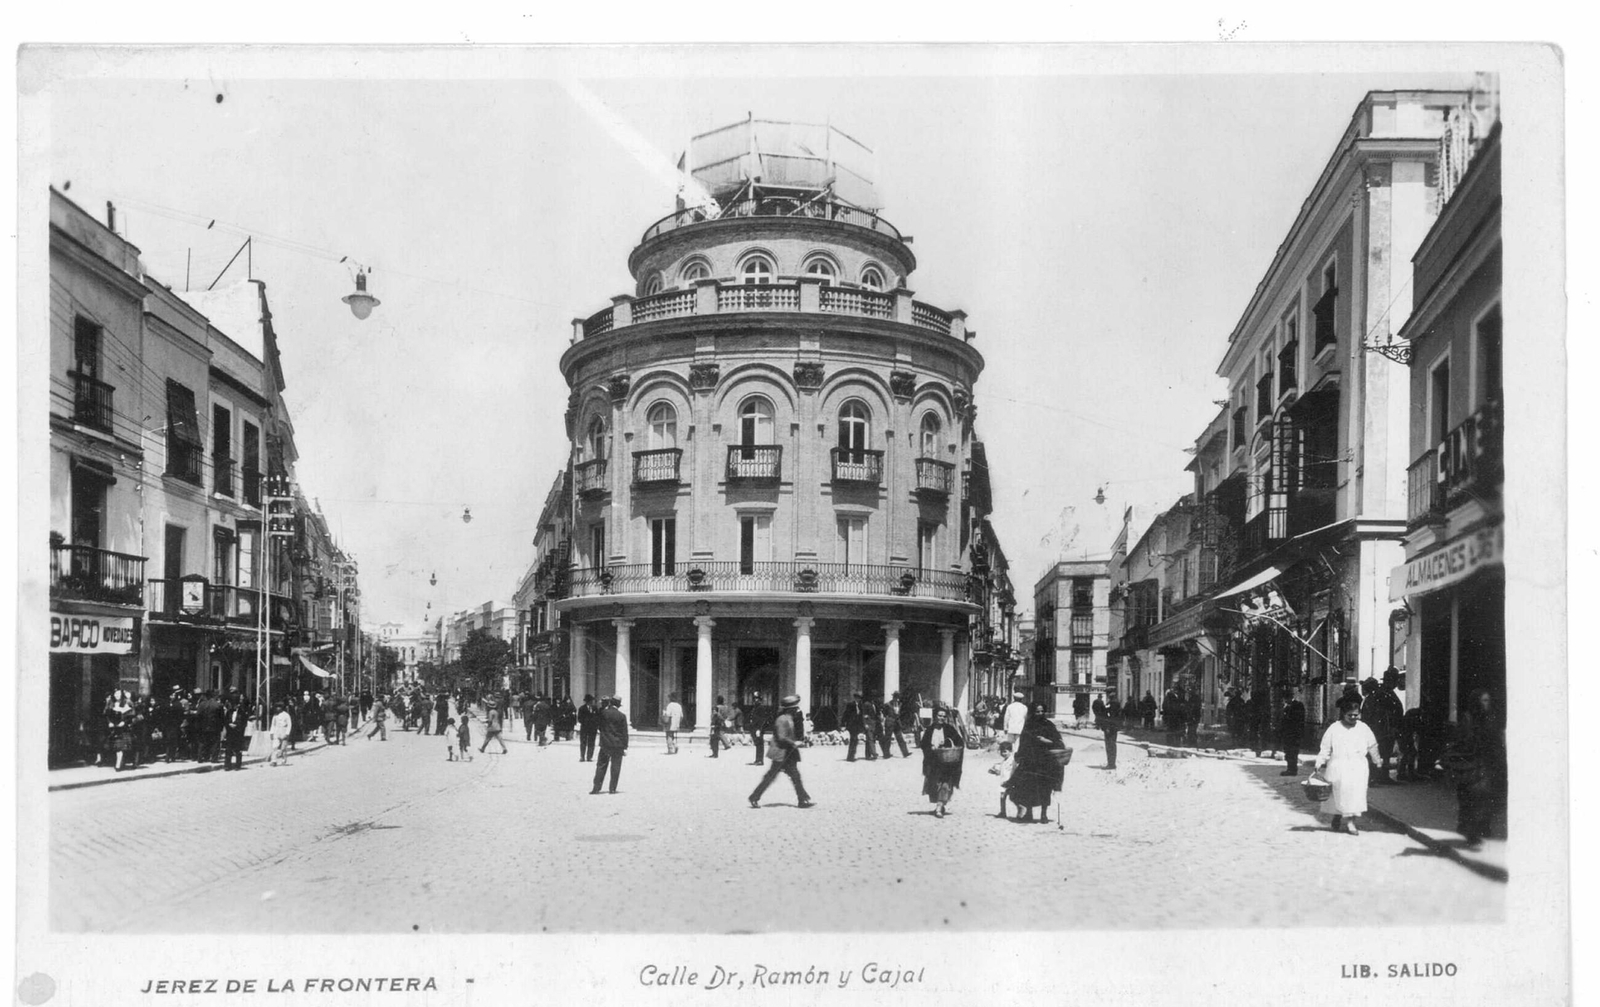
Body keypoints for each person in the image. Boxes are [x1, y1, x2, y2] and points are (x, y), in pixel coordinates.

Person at [1443, 688, 1506, 848]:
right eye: (1484, 700)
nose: (1487, 704)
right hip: (1473, 766)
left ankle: (1479, 830)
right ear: (1477, 702)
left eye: (1488, 700)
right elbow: (1464, 741)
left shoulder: (1490, 718)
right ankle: (1472, 833)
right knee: (1472, 800)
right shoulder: (1468, 719)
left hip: (1488, 765)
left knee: (1484, 799)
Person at [1314, 693, 1381, 835]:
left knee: (1355, 794)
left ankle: (1351, 823)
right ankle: (1337, 816)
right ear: (1343, 714)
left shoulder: (1363, 728)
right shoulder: (1334, 728)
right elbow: (1325, 748)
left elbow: (1372, 746)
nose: (1353, 718)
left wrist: (1377, 760)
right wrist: (1320, 761)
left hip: (1358, 767)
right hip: (1339, 766)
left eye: (1356, 715)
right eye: (1350, 715)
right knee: (1339, 793)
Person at [748, 695, 814, 808]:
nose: (796, 709)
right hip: (781, 753)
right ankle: (754, 797)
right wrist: (795, 743)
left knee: (795, 776)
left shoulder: (788, 718)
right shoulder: (782, 719)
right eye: (794, 708)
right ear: (789, 709)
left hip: (787, 753)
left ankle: (803, 799)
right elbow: (782, 737)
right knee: (771, 777)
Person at [1006, 704, 1067, 824]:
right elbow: (1023, 742)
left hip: (1045, 763)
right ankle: (1029, 813)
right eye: (1037, 711)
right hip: (1030, 762)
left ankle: (1044, 814)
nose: (1039, 714)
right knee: (1028, 788)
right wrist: (1020, 756)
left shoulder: (1049, 725)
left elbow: (1059, 743)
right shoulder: (1028, 725)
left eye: (1042, 711)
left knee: (1045, 788)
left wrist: (1047, 741)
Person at [918, 703, 966, 818]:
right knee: (934, 784)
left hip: (947, 763)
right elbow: (923, 744)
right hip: (933, 762)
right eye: (939, 716)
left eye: (944, 716)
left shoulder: (950, 729)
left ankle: (939, 807)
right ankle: (940, 803)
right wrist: (931, 748)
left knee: (945, 784)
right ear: (935, 716)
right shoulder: (929, 730)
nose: (941, 718)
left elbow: (959, 743)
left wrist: (945, 745)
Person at [1362, 670, 1405, 785]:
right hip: (1382, 728)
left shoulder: (1385, 693)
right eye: (1395, 680)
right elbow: (1382, 713)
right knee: (1378, 752)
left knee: (1385, 753)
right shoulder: (1382, 694)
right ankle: (1374, 777)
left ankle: (1382, 776)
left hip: (1384, 728)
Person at [590, 696, 629, 794]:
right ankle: (612, 788)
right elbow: (625, 733)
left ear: (611, 703)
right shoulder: (622, 716)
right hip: (618, 745)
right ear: (618, 705)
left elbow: (598, 725)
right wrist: (625, 746)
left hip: (605, 743)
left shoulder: (603, 713)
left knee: (601, 765)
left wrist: (604, 735)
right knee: (616, 766)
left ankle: (596, 788)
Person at [1279, 686, 1307, 775]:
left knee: (1293, 752)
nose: (1285, 701)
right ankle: (1290, 768)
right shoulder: (1287, 707)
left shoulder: (1298, 705)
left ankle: (1292, 770)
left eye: (1285, 699)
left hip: (1294, 734)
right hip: (1287, 734)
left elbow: (1297, 720)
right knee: (1288, 752)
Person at [843, 692, 875, 762]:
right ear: (855, 698)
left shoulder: (861, 705)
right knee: (853, 740)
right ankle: (850, 757)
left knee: (856, 740)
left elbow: (862, 715)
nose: (858, 699)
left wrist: (864, 724)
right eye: (857, 698)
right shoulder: (850, 705)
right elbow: (846, 714)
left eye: (859, 698)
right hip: (852, 725)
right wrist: (843, 724)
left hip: (858, 725)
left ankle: (865, 754)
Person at [222, 690, 249, 770]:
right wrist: (229, 725)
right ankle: (227, 765)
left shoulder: (242, 712)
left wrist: (237, 726)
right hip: (230, 733)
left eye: (235, 705)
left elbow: (244, 724)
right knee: (228, 750)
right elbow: (225, 721)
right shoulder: (229, 712)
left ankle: (237, 765)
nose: (233, 706)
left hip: (238, 733)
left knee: (238, 750)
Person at [879, 692, 911, 758]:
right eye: (895, 697)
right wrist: (889, 718)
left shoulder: (900, 704)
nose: (897, 699)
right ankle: (886, 754)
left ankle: (905, 753)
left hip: (897, 723)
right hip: (890, 723)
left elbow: (900, 713)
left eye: (898, 698)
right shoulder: (887, 704)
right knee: (888, 738)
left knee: (900, 738)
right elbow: (884, 713)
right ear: (893, 697)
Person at [1092, 695, 1119, 770]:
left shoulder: (1109, 705)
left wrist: (1106, 727)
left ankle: (1111, 764)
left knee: (1109, 745)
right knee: (1113, 745)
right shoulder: (1118, 705)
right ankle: (1112, 763)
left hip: (1109, 728)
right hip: (1115, 728)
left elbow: (1106, 716)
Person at [746, 693, 773, 766]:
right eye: (754, 698)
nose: (755, 700)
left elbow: (762, 720)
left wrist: (759, 729)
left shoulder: (761, 708)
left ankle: (760, 760)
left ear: (760, 700)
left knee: (760, 744)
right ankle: (757, 759)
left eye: (757, 698)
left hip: (759, 729)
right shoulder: (755, 707)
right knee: (757, 744)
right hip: (754, 728)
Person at [268, 703, 294, 767]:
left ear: (282, 708)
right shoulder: (275, 716)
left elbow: (289, 725)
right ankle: (274, 761)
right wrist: (271, 733)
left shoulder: (286, 715)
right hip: (277, 732)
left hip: (284, 731)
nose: (278, 708)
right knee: (275, 747)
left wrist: (287, 733)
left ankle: (283, 760)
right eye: (277, 707)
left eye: (279, 707)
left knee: (283, 748)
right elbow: (273, 725)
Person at [576, 694, 600, 761]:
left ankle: (589, 757)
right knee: (583, 742)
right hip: (584, 728)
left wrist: (595, 724)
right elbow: (579, 719)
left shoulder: (595, 708)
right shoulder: (581, 708)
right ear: (587, 701)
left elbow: (598, 717)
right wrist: (586, 722)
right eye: (590, 701)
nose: (591, 702)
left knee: (591, 742)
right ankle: (582, 756)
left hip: (593, 728)